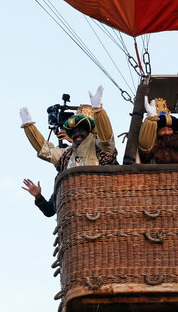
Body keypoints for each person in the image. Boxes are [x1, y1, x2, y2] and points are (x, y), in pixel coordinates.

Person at [20, 85, 118, 217]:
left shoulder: (100, 148)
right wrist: (29, 126)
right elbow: (44, 150)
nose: (77, 134)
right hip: (75, 220)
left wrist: (98, 110)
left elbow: (107, 139)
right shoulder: (66, 156)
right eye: (74, 131)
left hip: (103, 212)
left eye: (81, 130)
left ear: (89, 132)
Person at [138, 97, 178, 164]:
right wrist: (151, 120)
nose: (167, 133)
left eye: (169, 129)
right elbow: (145, 145)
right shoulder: (151, 146)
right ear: (156, 132)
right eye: (162, 130)